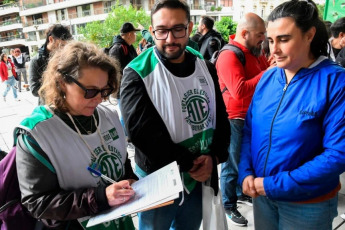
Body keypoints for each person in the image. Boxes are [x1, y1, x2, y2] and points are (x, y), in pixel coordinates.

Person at [120, 0, 230, 229]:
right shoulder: (136, 73)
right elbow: (142, 133)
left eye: (178, 29)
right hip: (159, 178)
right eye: (161, 30)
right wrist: (190, 163)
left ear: (189, 28)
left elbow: (220, 115)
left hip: (200, 174)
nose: (170, 39)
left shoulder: (205, 66)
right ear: (152, 32)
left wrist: (214, 158)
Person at [239, 0, 345, 229]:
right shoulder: (268, 78)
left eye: (284, 39)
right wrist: (246, 171)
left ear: (309, 35)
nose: (273, 49)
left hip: (307, 204)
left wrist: (273, 184)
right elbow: (250, 130)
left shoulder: (335, 82)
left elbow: (338, 154)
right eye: (270, 40)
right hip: (262, 196)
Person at [15, 41, 138, 229]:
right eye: (89, 91)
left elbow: (121, 161)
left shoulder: (109, 116)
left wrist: (129, 179)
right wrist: (100, 197)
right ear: (62, 83)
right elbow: (38, 203)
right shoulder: (37, 134)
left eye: (104, 91)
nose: (98, 99)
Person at [216, 12, 270, 227]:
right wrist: (267, 72)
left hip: (251, 116)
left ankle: (239, 192)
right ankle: (228, 205)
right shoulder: (229, 55)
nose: (263, 39)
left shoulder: (255, 52)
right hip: (234, 118)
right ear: (244, 33)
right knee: (231, 164)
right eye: (260, 34)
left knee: (244, 160)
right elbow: (239, 90)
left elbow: (265, 72)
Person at [109, 22, 139, 136]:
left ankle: (129, 135)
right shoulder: (117, 49)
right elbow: (115, 71)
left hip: (131, 86)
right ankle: (124, 136)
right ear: (129, 34)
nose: (136, 36)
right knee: (124, 113)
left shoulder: (129, 47)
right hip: (122, 88)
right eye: (134, 34)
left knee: (130, 112)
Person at [29, 24, 72, 104]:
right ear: (51, 39)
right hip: (48, 107)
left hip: (68, 105)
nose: (63, 49)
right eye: (61, 45)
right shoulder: (36, 61)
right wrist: (58, 85)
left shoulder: (66, 57)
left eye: (65, 46)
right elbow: (35, 90)